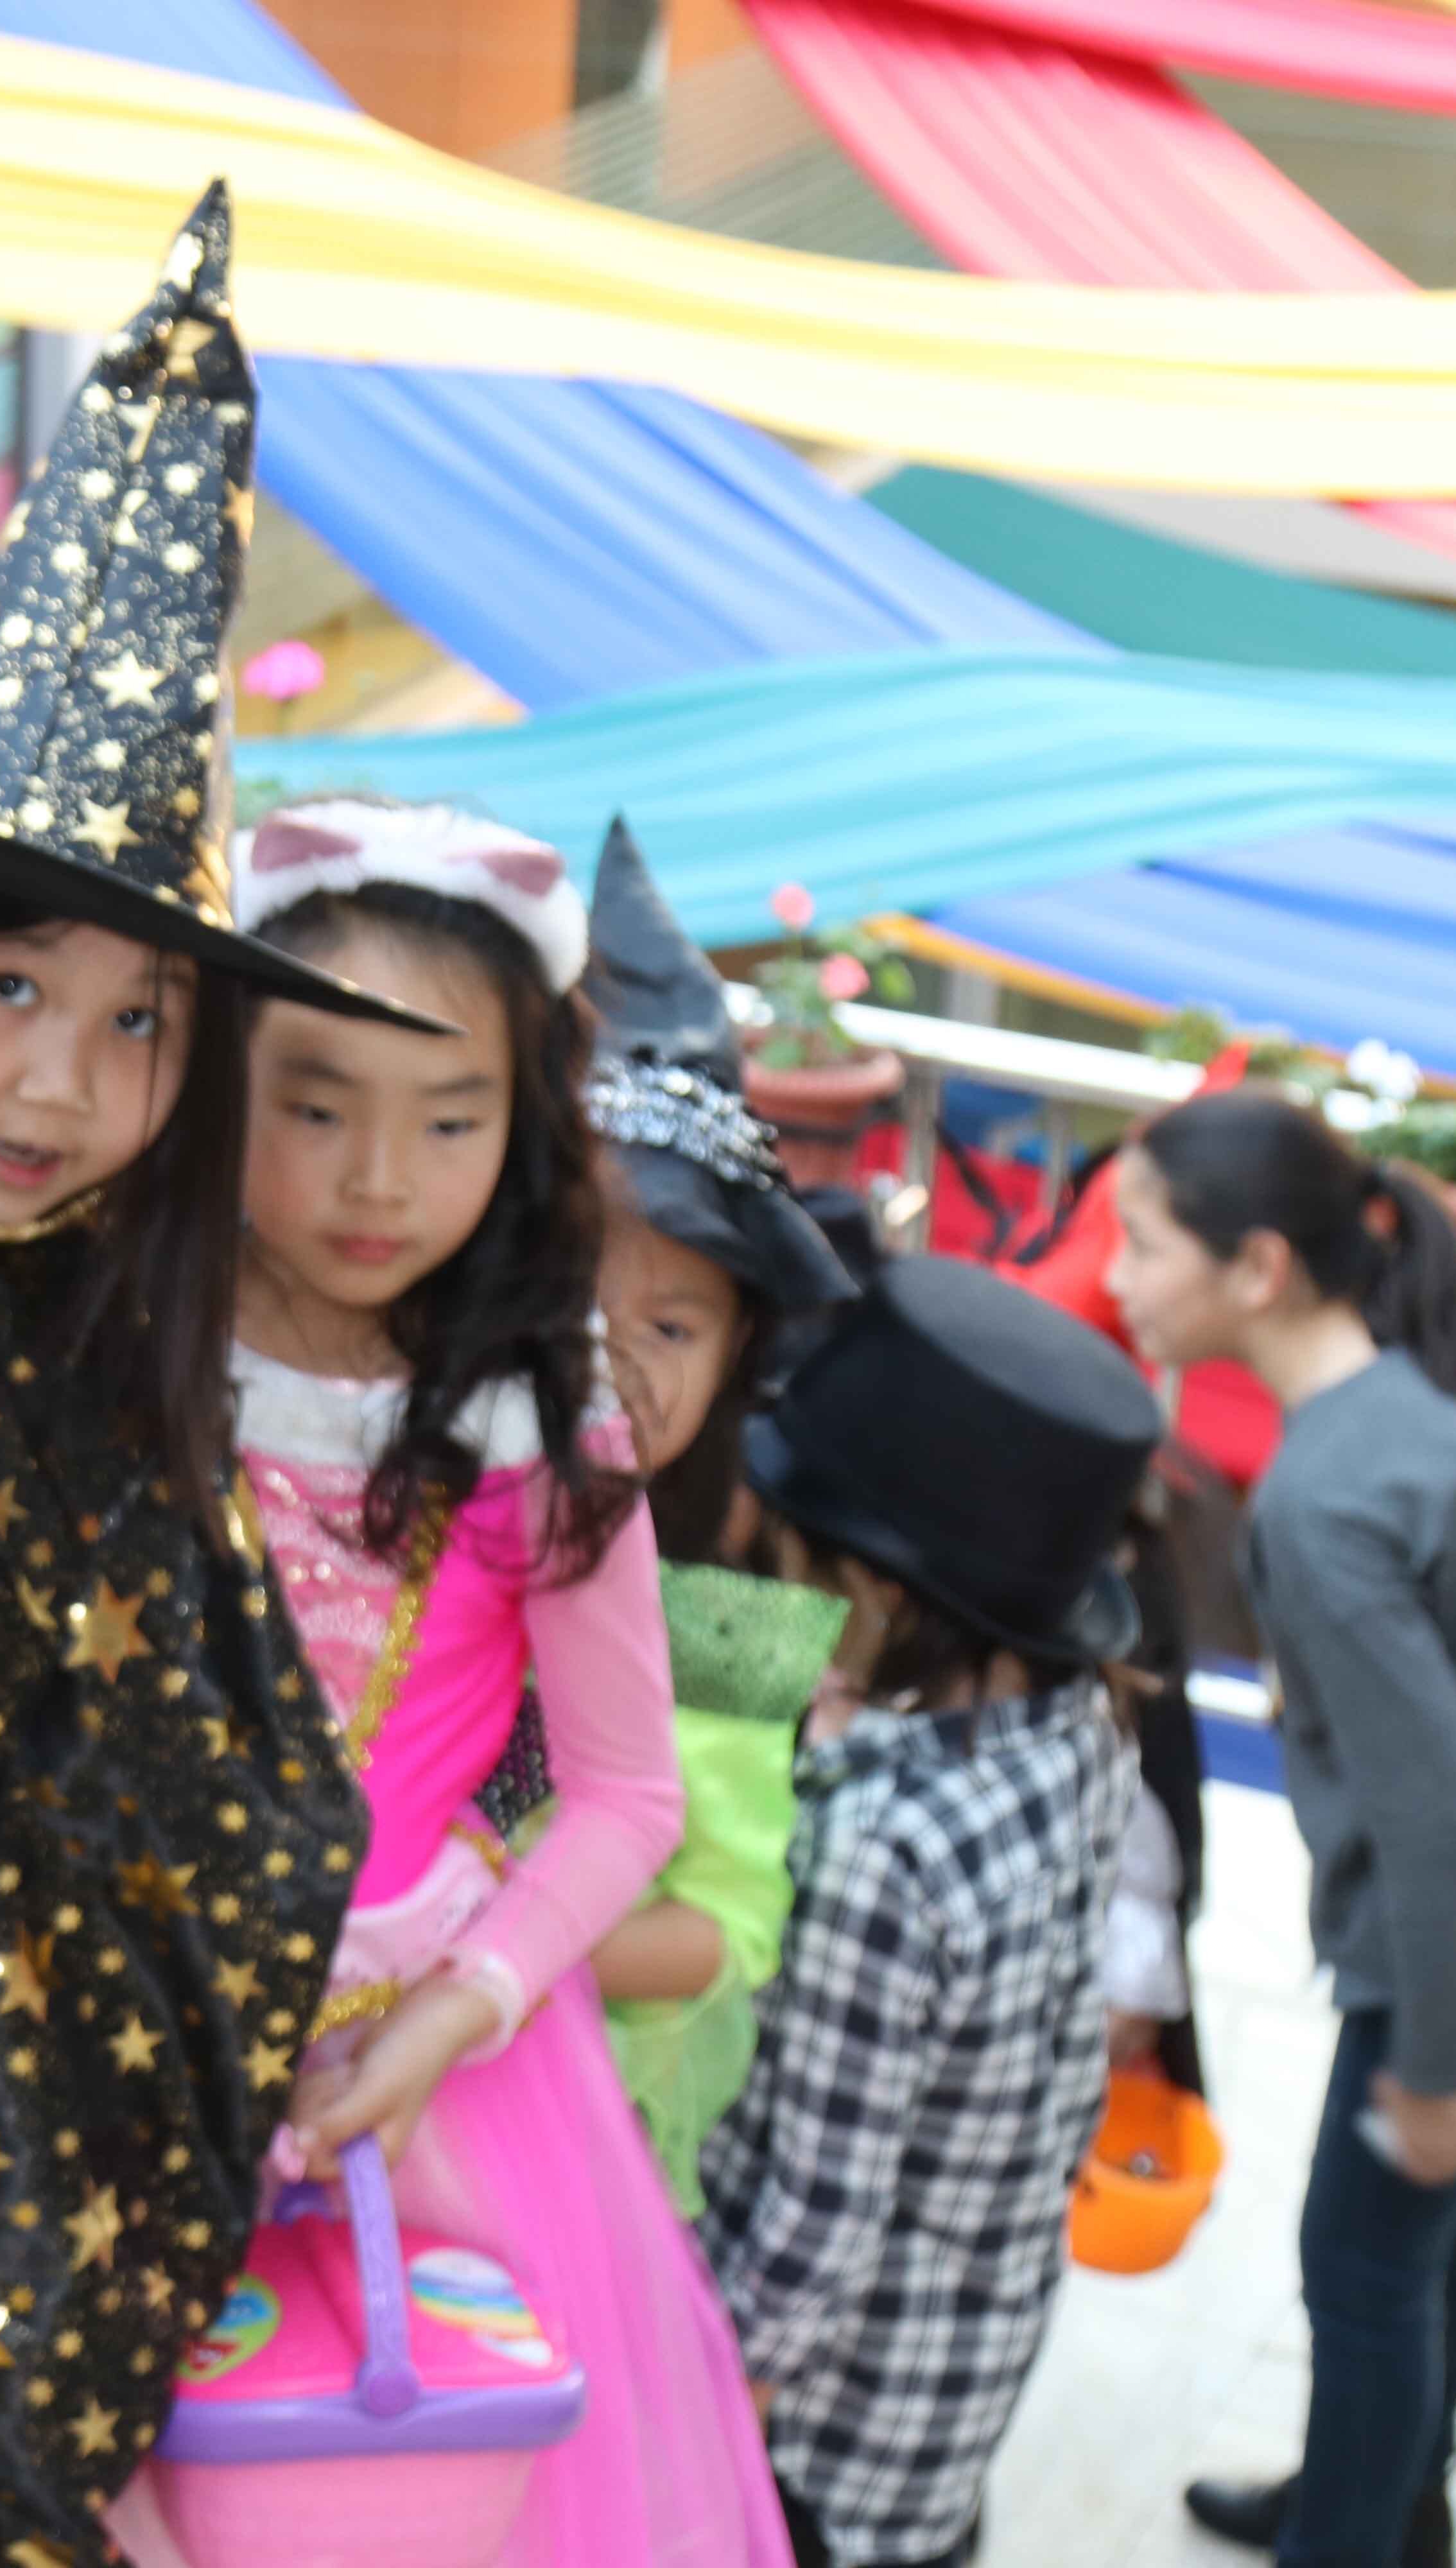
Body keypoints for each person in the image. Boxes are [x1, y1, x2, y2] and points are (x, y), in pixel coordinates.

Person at [0, 186, 404, 2564]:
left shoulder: (115, 1372)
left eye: (142, 1022)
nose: (62, 1074)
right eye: (12, 987)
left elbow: (243, 1817)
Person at [209, 799, 788, 2564]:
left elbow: (632, 1795)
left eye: (449, 1121)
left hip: (448, 2079)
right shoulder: (123, 1363)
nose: (380, 1182)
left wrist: (459, 2007)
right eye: (315, 1109)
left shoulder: (542, 1427)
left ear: (521, 1130)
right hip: (129, 2040)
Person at [1109, 1089, 1456, 2568]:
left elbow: (1439, 1827)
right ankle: (1391, 2499)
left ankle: (1357, 2529)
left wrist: (1435, 2058)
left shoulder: (1328, 1495)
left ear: (1260, 1268)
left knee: (1362, 2265)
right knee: (1433, 2227)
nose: (1116, 1278)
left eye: (1142, 1242)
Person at [700, 1257, 1160, 2568]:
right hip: (945, 2389)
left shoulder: (879, 1852)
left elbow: (815, 2218)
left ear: (885, 1595)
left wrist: (715, 2433)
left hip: (811, 2453)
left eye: (799, 1564)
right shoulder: (1072, 1720)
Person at [568, 824, 860, 2219]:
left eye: (673, 1321)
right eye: (572, 1288)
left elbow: (735, 1927)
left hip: (584, 2137)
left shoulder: (727, 1623)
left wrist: (503, 1949)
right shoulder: (397, 1536)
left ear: (740, 1349)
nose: (614, 1350)